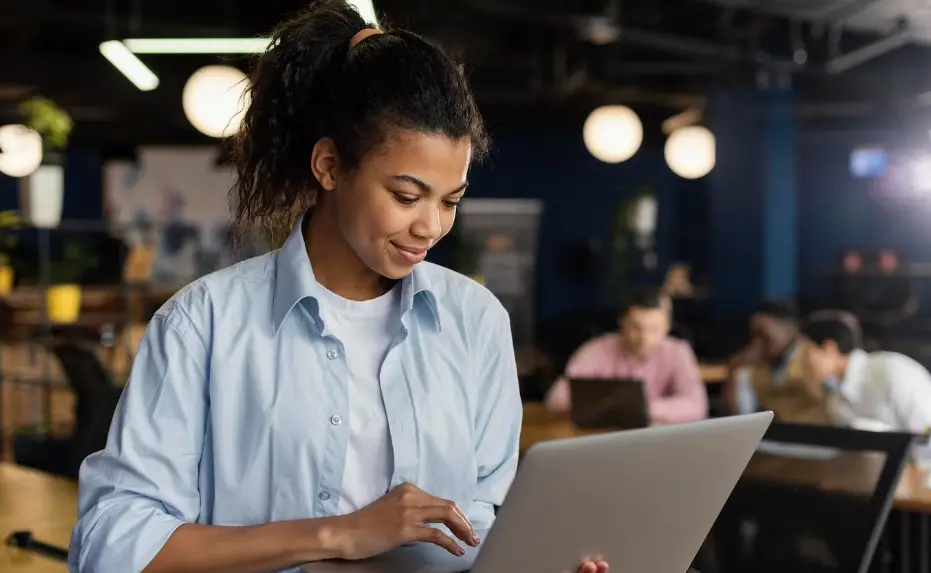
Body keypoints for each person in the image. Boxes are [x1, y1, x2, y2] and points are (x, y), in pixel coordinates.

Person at [67, 3, 609, 573]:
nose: (431, 226)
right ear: (329, 166)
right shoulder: (202, 324)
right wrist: (338, 534)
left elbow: (486, 526)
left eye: (450, 200)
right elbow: (112, 545)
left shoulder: (476, 321)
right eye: (406, 196)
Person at [544, 287, 707, 425]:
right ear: (622, 321)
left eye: (654, 329)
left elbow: (696, 405)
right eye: (636, 327)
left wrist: (638, 408)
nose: (644, 337)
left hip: (657, 441)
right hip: (604, 440)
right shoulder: (597, 349)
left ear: (667, 326)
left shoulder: (678, 352)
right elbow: (557, 399)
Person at [797, 311, 931, 433]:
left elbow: (926, 432)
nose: (802, 363)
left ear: (829, 348)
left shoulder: (890, 371)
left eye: (805, 354)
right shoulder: (836, 401)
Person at [722, 300, 815, 421]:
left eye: (764, 335)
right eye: (754, 336)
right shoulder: (752, 364)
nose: (758, 343)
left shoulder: (813, 357)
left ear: (788, 329)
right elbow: (739, 413)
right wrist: (737, 371)